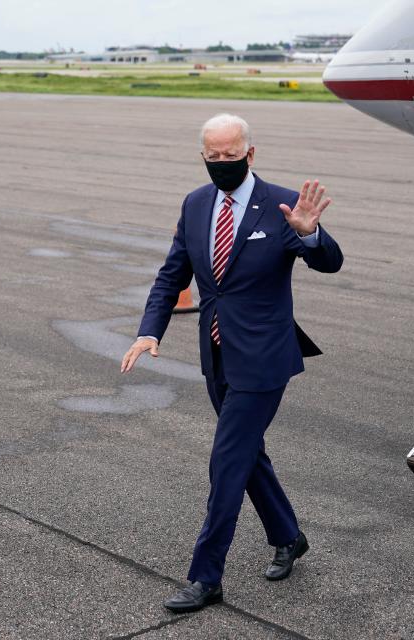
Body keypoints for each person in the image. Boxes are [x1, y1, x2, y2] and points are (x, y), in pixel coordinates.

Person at [121, 113, 343, 613]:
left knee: (226, 461)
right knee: (246, 455)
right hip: (217, 352)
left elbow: (331, 261)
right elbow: (171, 273)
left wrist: (309, 237)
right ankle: (288, 535)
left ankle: (206, 576)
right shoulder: (196, 203)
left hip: (265, 358)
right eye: (213, 156)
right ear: (203, 155)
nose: (222, 163)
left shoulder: (283, 204)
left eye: (231, 154)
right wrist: (148, 330)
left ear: (250, 153)